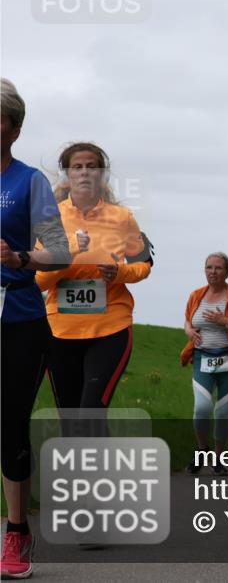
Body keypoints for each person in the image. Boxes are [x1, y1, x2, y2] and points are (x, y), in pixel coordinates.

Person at [1, 78, 71, 580]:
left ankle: (16, 531)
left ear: (15, 128)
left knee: (9, 426)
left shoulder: (30, 182)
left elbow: (60, 253)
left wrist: (22, 256)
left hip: (19, 317)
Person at [36, 142, 153, 432]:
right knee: (70, 420)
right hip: (60, 330)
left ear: (102, 173)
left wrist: (119, 272)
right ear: (67, 174)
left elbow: (144, 266)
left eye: (92, 166)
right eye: (78, 167)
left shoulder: (122, 218)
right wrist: (69, 254)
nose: (85, 172)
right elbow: (37, 279)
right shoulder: (50, 218)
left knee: (91, 411)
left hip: (110, 326)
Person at [180, 252, 228, 476]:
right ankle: (202, 450)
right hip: (202, 358)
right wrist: (189, 331)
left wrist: (226, 322)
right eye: (209, 267)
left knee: (222, 413)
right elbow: (187, 320)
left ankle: (219, 459)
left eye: (218, 268)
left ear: (227, 272)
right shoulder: (196, 296)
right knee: (202, 409)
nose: (213, 271)